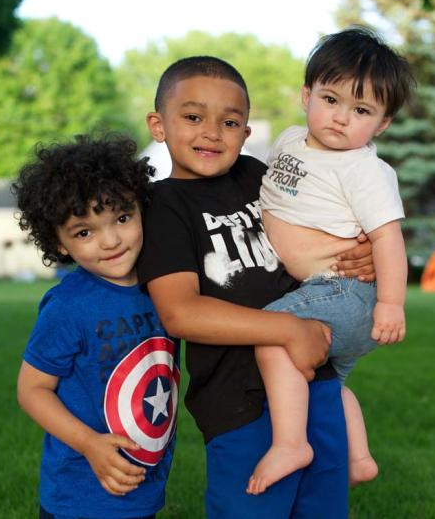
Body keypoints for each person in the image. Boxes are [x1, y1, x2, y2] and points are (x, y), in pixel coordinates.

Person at [138, 56, 375, 518]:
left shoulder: (256, 175)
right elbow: (181, 313)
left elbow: (320, 224)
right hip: (238, 403)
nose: (211, 131)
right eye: (192, 117)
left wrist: (357, 248)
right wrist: (286, 329)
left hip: (313, 382)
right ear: (158, 124)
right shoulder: (162, 207)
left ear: (246, 132)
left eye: (229, 121)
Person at [247, 27, 415, 495]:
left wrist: (391, 304)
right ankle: (359, 458)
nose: (341, 118)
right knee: (327, 384)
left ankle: (290, 443)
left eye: (361, 110)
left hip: (343, 292)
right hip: (324, 292)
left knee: (271, 330)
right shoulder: (289, 140)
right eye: (331, 99)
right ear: (306, 95)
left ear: (381, 124)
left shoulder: (363, 169)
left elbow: (388, 239)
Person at [13, 135, 179, 519]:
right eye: (84, 232)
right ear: (60, 243)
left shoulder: (165, 284)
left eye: (122, 218)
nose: (110, 240)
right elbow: (32, 390)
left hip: (142, 484)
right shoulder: (68, 306)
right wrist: (89, 444)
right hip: (80, 494)